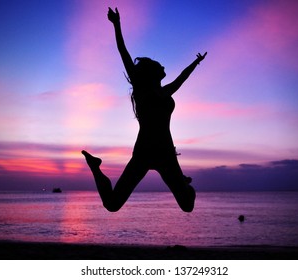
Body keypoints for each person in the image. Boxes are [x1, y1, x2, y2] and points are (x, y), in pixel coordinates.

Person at [82, 7, 207, 212]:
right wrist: (117, 25)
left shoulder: (165, 91)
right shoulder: (142, 91)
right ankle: (95, 167)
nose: (164, 68)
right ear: (152, 73)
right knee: (112, 204)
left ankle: (184, 184)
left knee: (187, 205)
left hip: (166, 152)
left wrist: (196, 62)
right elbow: (123, 52)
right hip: (145, 152)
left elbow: (182, 78)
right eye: (160, 67)